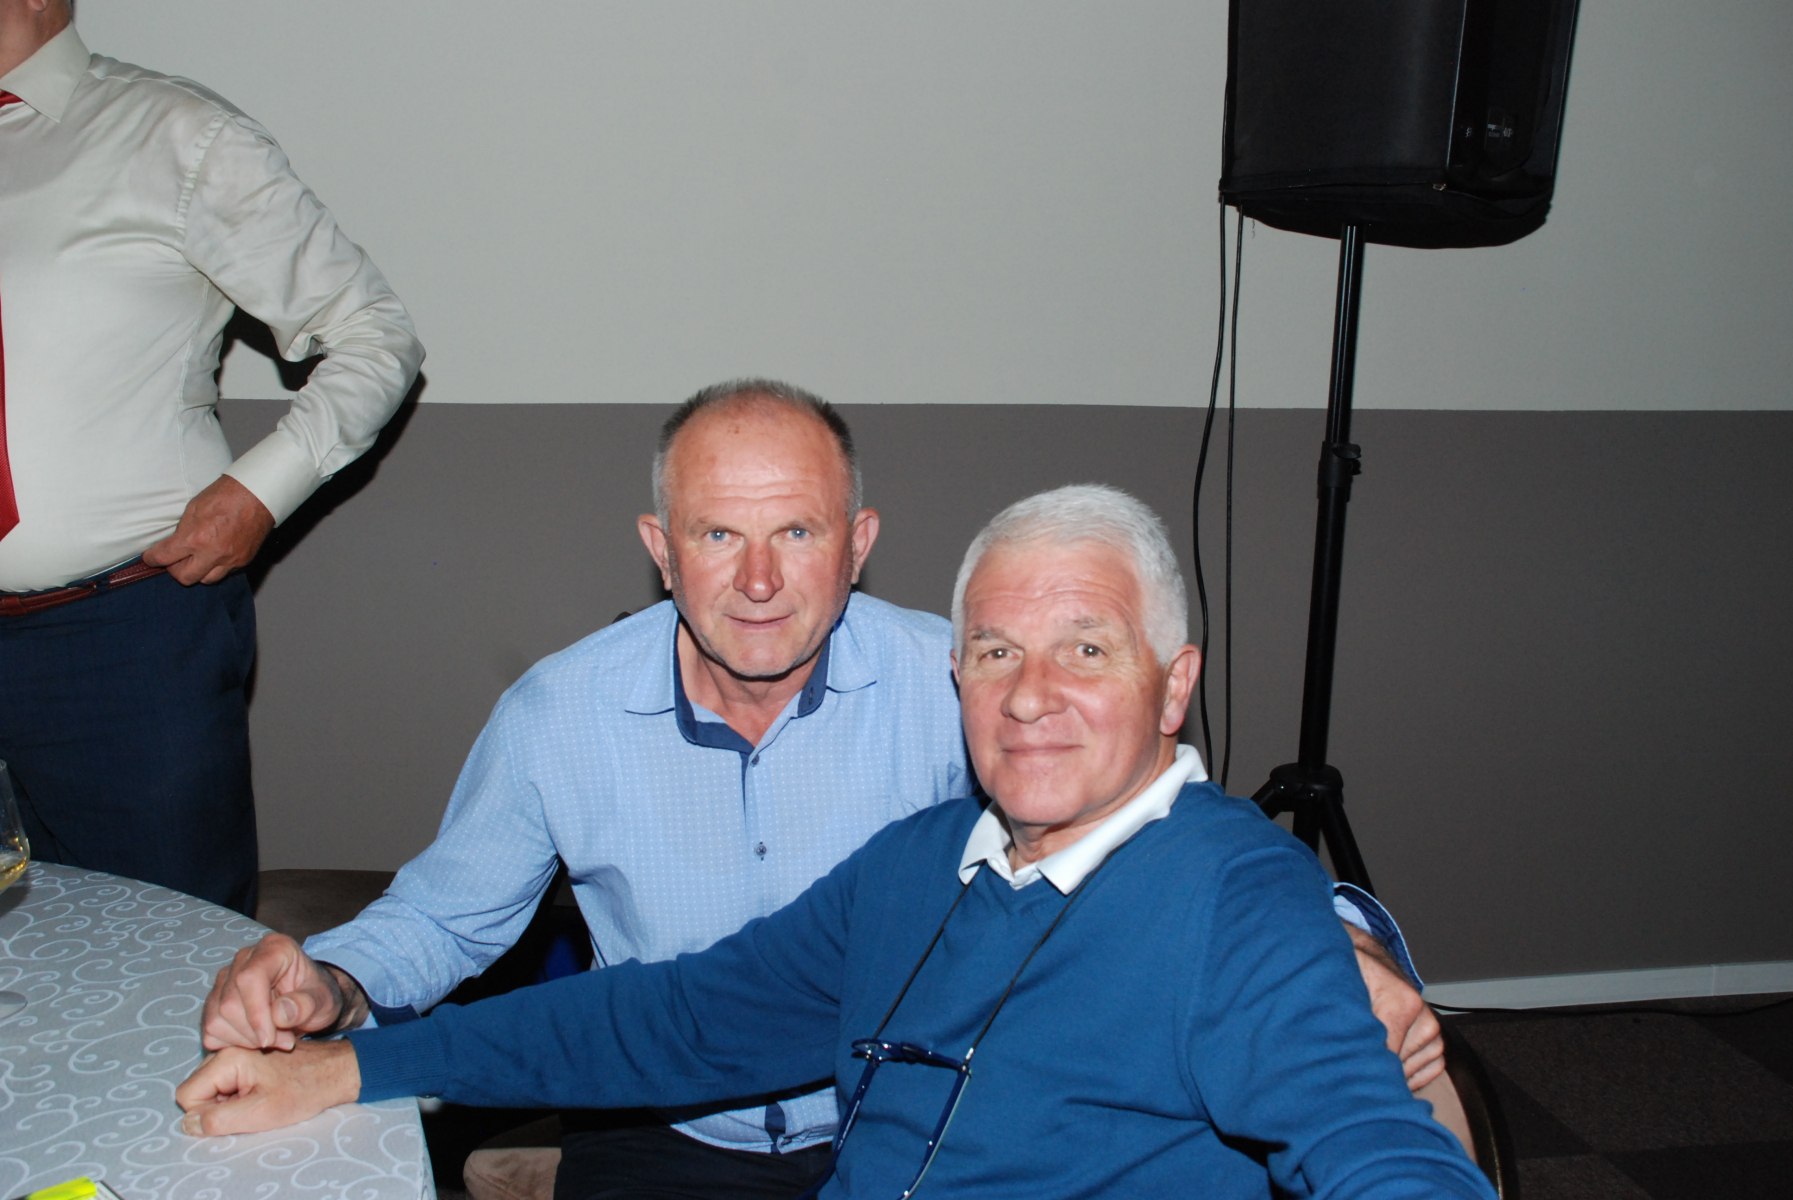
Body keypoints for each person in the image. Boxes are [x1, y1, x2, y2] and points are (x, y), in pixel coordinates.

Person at [199, 382, 1442, 1198]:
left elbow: (1364, 1137)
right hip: (683, 1138)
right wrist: (348, 1054)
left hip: (846, 1131)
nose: (1029, 696)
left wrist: (1333, 929)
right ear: (660, 550)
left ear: (1172, 687)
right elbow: (664, 1018)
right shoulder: (911, 867)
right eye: (996, 654)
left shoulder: (1217, 894)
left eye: (1085, 649)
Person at [0, 0, 423, 915]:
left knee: (164, 952)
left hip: (118, 640)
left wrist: (259, 492)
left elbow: (374, 334)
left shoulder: (177, 136)